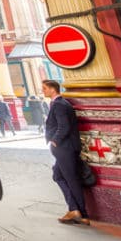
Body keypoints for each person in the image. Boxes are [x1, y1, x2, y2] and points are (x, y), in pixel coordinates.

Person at [43, 79, 90, 226]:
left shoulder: (59, 105)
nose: (42, 91)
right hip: (66, 148)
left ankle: (81, 213)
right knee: (57, 175)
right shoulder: (61, 103)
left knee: (71, 179)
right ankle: (74, 210)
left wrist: (55, 141)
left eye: (44, 88)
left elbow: (64, 126)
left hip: (65, 148)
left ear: (52, 89)